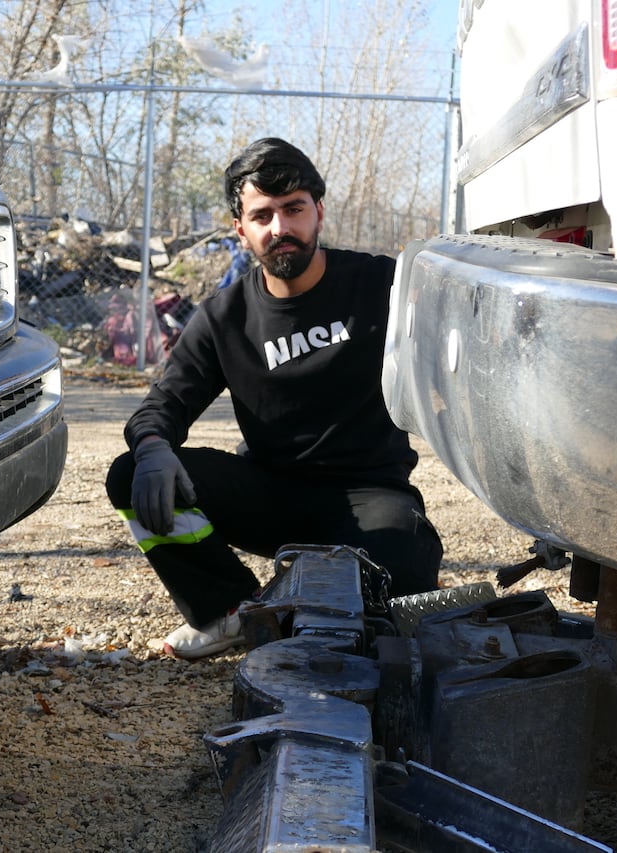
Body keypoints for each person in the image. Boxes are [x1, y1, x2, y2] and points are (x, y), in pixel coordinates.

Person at [105, 137, 443, 659]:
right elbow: (164, 404)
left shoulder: (382, 285)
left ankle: (299, 605)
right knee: (132, 475)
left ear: (318, 212)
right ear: (241, 230)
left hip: (370, 494)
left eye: (293, 209)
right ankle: (227, 612)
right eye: (262, 215)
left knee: (404, 573)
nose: (280, 228)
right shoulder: (224, 317)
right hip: (272, 496)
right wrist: (152, 446)